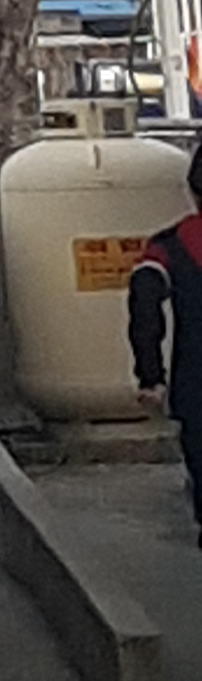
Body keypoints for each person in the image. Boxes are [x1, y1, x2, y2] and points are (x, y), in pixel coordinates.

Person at [128, 145, 202, 538]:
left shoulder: (168, 246)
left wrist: (151, 376)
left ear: (192, 191)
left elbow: (144, 303)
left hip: (196, 388)